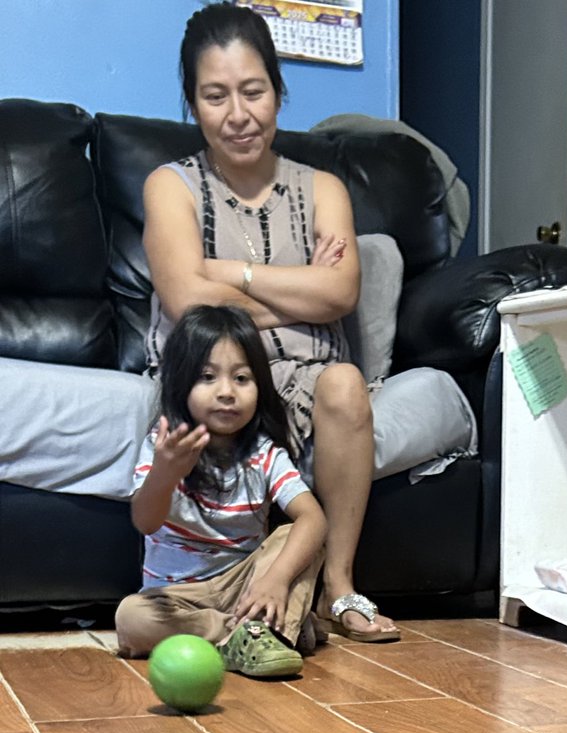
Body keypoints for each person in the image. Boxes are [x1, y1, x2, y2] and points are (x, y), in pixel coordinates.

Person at [143, 1, 399, 642]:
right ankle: (236, 609)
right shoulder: (169, 187)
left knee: (344, 381)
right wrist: (299, 289)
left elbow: (339, 292)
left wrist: (225, 272)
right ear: (192, 102)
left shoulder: (323, 189)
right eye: (215, 95)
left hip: (312, 385)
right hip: (218, 379)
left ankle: (338, 589)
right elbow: (186, 304)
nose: (237, 115)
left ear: (278, 91)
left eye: (253, 91)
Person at [116, 305, 326, 678]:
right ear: (181, 385)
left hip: (248, 585)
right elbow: (145, 522)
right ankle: (252, 634)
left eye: (242, 378)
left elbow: (312, 517)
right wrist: (165, 475)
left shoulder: (264, 453)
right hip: (177, 597)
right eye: (208, 377)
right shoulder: (164, 447)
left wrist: (275, 580)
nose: (227, 392)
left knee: (302, 537)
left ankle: (266, 624)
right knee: (131, 619)